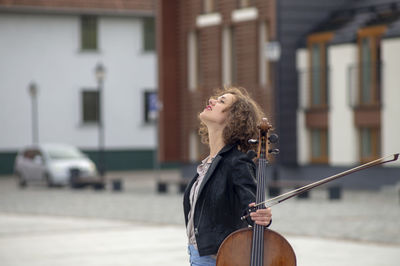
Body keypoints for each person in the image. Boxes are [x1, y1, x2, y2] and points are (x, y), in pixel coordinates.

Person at [183, 86, 272, 266]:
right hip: (197, 255)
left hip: (217, 259)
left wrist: (260, 215)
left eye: (221, 101)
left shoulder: (236, 162)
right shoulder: (208, 163)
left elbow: (251, 207)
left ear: (233, 118)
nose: (211, 101)